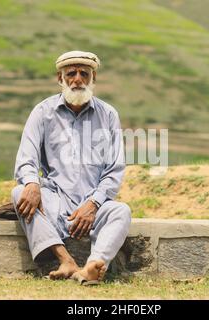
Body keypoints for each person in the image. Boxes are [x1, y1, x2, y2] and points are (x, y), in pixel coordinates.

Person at [11, 50, 131, 284]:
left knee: (121, 211)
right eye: (71, 74)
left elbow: (114, 170)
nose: (77, 79)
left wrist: (94, 203)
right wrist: (33, 183)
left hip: (92, 207)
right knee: (20, 192)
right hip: (54, 202)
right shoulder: (42, 112)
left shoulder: (108, 115)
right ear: (60, 79)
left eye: (84, 74)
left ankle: (92, 267)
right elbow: (27, 157)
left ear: (93, 78)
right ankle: (65, 260)